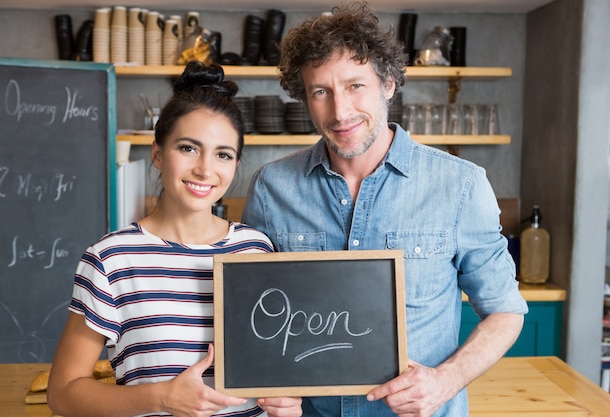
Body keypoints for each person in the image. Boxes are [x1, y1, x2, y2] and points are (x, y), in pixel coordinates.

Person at [241, 3, 528, 417]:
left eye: (356, 85)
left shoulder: (460, 185)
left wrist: (445, 380)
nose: (340, 112)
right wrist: (267, 387)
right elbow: (254, 313)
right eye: (320, 91)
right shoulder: (272, 187)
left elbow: (505, 310)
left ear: (389, 83)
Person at [47, 61, 302, 417]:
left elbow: (278, 369)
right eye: (188, 148)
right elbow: (63, 394)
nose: (205, 169)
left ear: (235, 165)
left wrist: (287, 403)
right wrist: (162, 397)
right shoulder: (111, 259)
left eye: (223, 155)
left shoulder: (255, 249)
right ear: (157, 154)